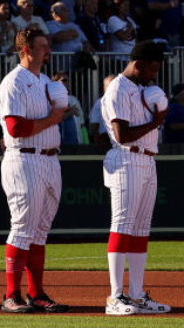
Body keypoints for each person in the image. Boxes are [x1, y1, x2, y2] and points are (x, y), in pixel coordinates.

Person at [0, 27, 68, 313]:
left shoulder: (43, 82)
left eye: (47, 44)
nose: (47, 49)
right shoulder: (13, 82)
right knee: (23, 227)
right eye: (42, 45)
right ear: (26, 50)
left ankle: (36, 293)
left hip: (49, 159)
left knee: (40, 232)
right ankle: (11, 295)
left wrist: (54, 115)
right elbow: (16, 128)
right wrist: (54, 118)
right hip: (24, 159)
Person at [99, 42, 172, 316]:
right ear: (138, 64)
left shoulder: (140, 88)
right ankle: (115, 297)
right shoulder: (118, 88)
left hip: (147, 159)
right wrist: (156, 122)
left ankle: (138, 294)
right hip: (127, 157)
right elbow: (122, 135)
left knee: (141, 231)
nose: (154, 75)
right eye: (151, 69)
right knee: (122, 226)